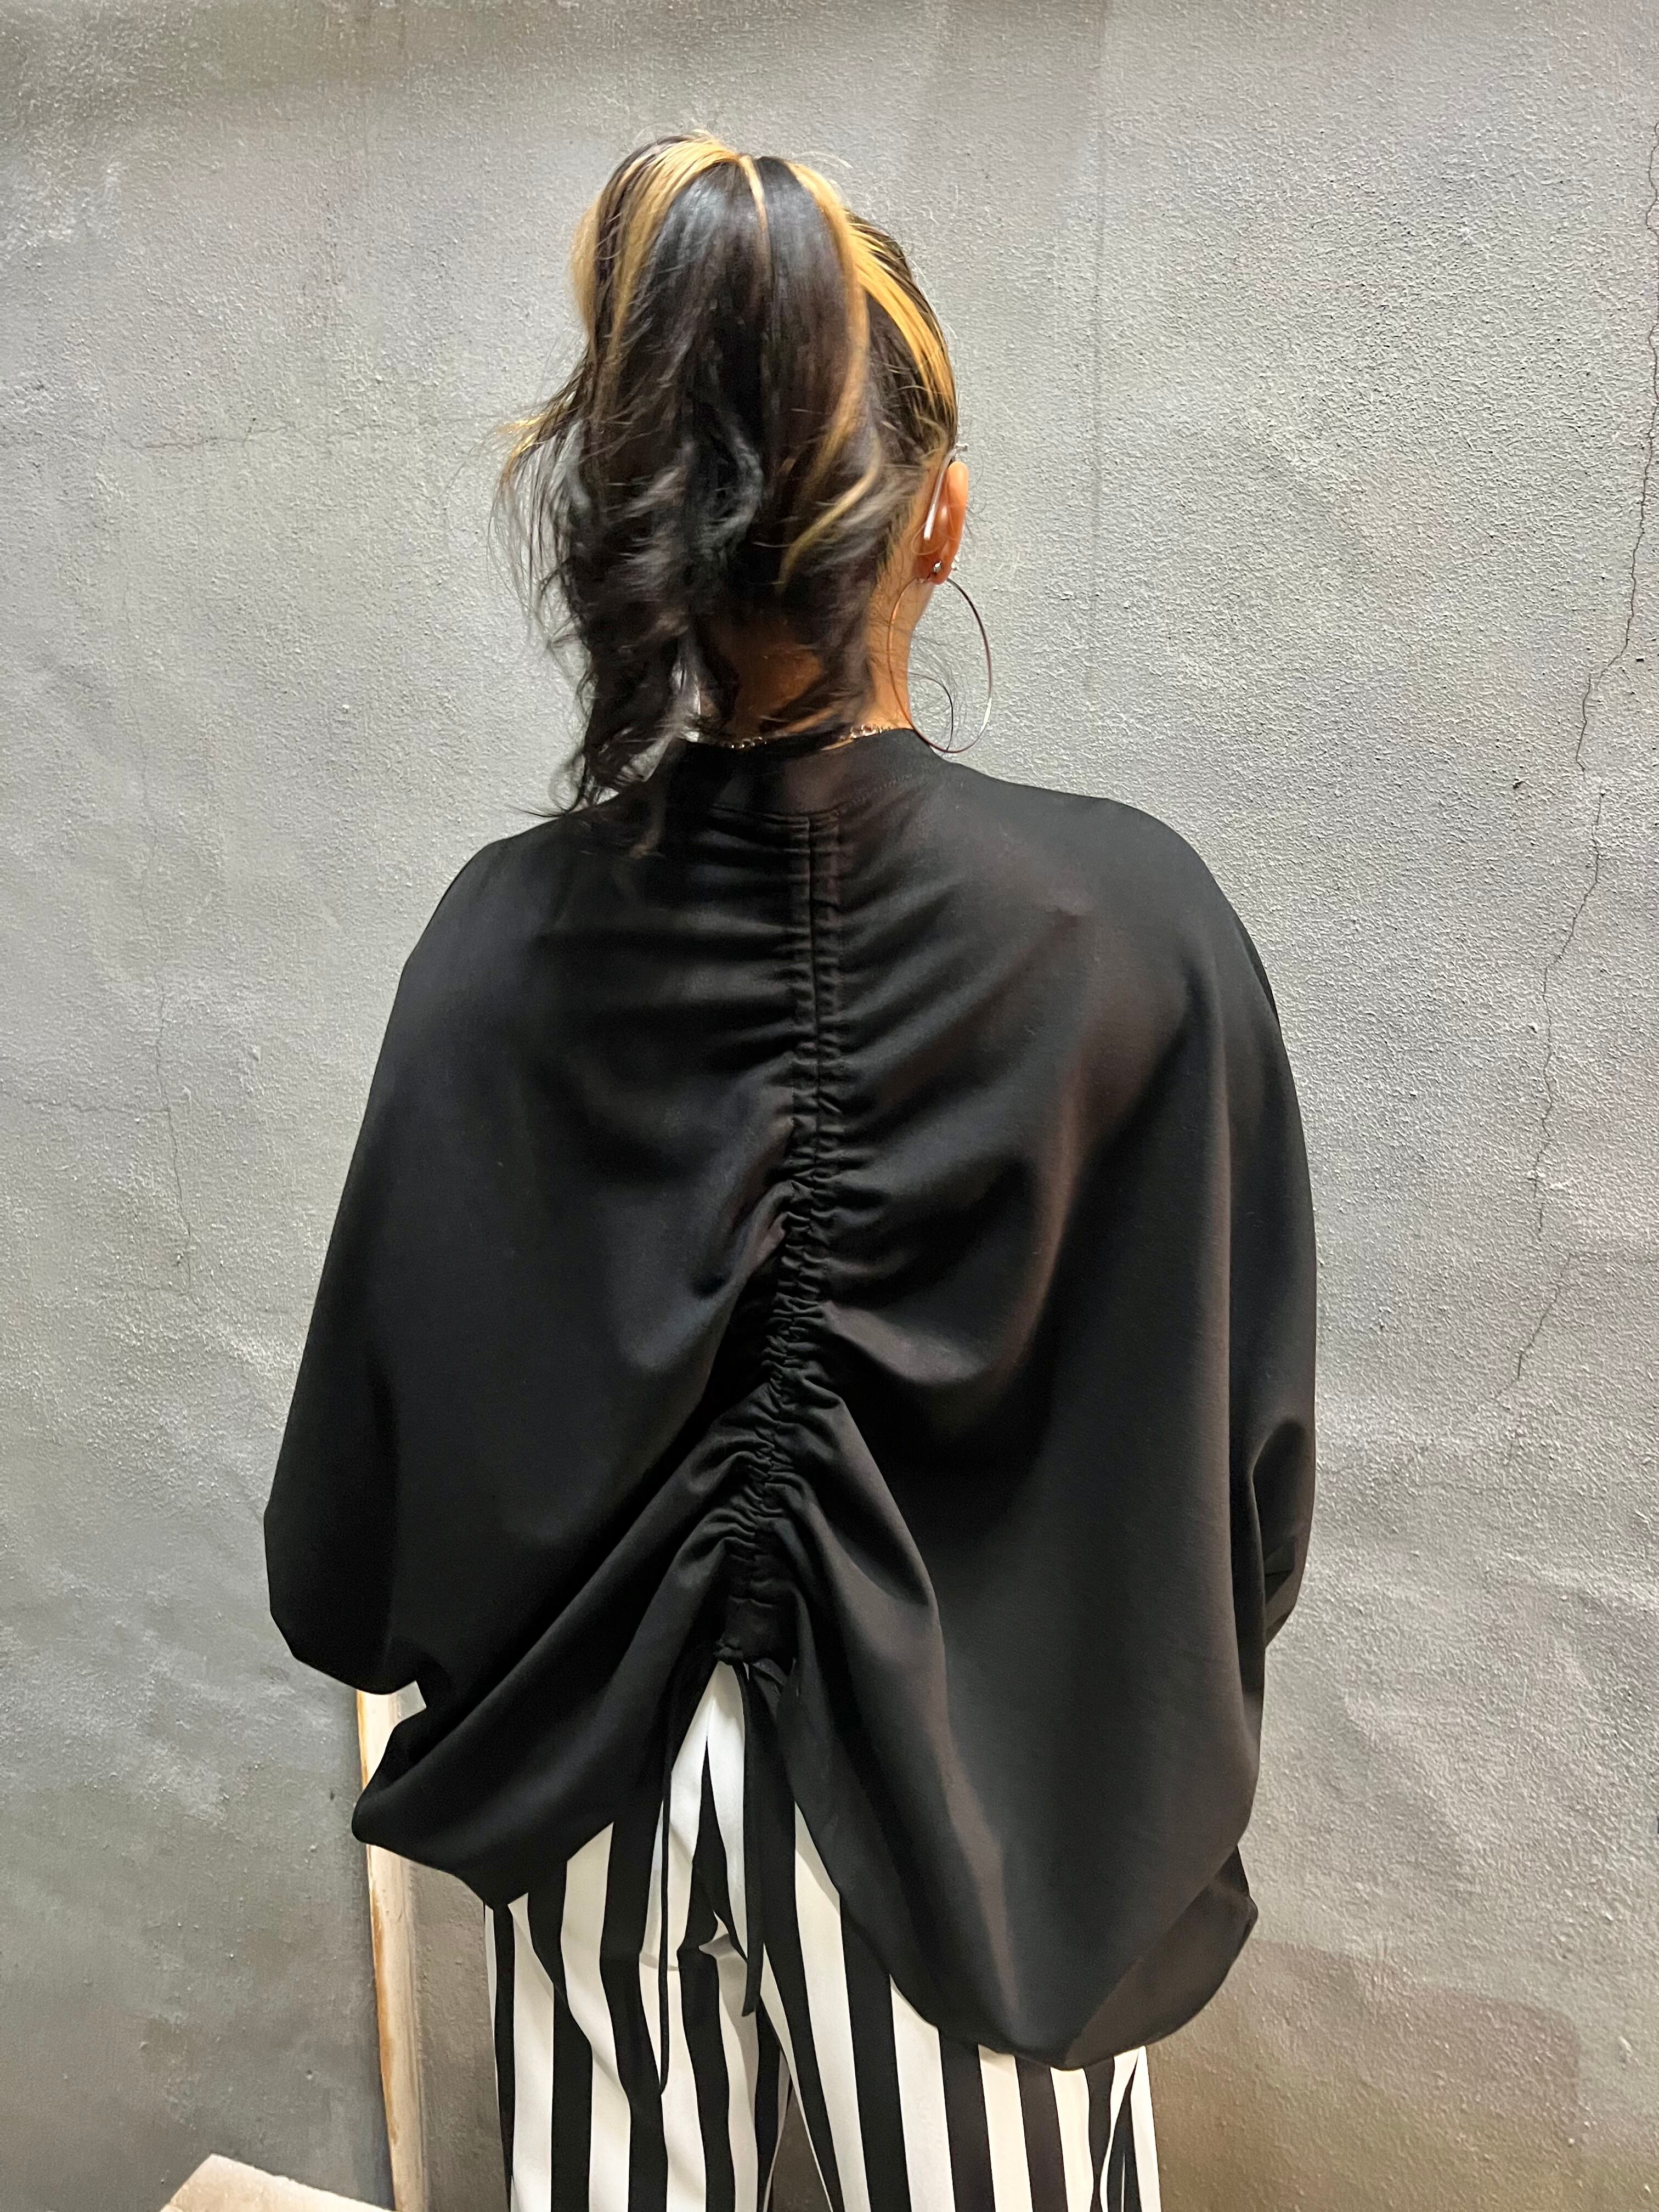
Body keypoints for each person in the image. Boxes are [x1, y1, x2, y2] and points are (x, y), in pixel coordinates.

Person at [264, 132, 1318, 2212]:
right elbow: (1240, 1494)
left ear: (645, 536)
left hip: (601, 1844)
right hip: (995, 1852)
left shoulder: (499, 942)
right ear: (938, 520)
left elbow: (358, 1525)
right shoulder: (1135, 936)